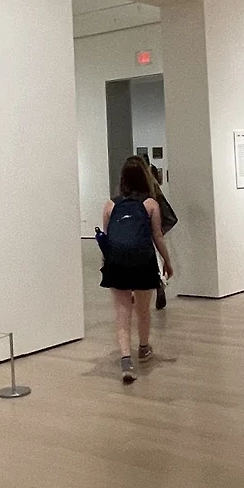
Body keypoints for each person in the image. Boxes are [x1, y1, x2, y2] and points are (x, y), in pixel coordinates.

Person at [100, 156, 173, 383]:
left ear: (123, 179)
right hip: (142, 262)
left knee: (122, 313)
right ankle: (143, 347)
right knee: (143, 310)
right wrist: (167, 262)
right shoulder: (151, 205)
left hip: (117, 263)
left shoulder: (110, 205)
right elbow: (158, 236)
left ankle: (125, 360)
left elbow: (107, 238)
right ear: (145, 177)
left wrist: (106, 263)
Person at [140, 156, 178, 310]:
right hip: (154, 225)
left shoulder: (132, 187)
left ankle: (140, 289)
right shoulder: (152, 184)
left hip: (140, 228)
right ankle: (160, 282)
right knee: (156, 255)